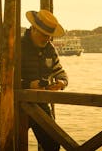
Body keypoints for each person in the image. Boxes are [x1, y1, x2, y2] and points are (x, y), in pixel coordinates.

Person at [21, 9, 68, 151]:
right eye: (44, 35)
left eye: (49, 36)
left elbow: (61, 72)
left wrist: (61, 83)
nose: (47, 39)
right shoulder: (18, 46)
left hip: (40, 105)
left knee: (53, 144)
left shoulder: (50, 49)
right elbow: (7, 79)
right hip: (17, 105)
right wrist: (30, 84)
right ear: (34, 29)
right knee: (14, 143)